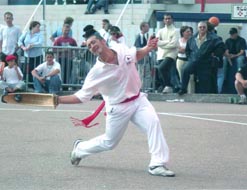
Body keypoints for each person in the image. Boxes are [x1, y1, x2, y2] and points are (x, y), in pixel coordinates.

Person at [57, 29, 175, 177]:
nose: (92, 46)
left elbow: (135, 56)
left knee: (154, 123)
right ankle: (80, 148)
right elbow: (82, 96)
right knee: (110, 142)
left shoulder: (120, 48)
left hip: (138, 100)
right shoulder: (96, 72)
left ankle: (157, 164)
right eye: (88, 46)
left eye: (93, 42)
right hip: (118, 108)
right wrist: (58, 99)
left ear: (103, 41)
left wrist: (147, 48)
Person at [178, 21, 225, 95]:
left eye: (204, 27)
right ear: (198, 28)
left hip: (206, 62)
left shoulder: (214, 38)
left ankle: (205, 101)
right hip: (194, 60)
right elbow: (187, 50)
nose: (202, 28)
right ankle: (183, 89)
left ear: (206, 28)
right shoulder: (192, 38)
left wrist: (215, 53)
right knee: (185, 69)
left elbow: (221, 47)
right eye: (200, 27)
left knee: (204, 84)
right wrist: (190, 58)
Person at [156, 14, 181, 93]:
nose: (167, 20)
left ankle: (168, 85)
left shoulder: (176, 31)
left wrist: (162, 44)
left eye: (169, 18)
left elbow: (174, 44)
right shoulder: (160, 31)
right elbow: (156, 42)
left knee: (161, 68)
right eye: (166, 19)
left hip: (171, 54)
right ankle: (172, 87)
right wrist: (168, 42)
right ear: (163, 20)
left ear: (172, 20)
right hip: (161, 54)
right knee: (166, 72)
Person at [18, 21, 44, 85]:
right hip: (28, 55)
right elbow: (19, 40)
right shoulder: (26, 33)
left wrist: (31, 45)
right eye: (37, 27)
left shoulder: (39, 34)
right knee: (28, 70)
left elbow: (40, 43)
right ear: (33, 27)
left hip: (37, 55)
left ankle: (36, 84)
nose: (39, 29)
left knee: (37, 70)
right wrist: (23, 47)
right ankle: (28, 84)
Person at [176, 26, 193, 93]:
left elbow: (191, 50)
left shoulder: (192, 40)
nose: (189, 33)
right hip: (180, 60)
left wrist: (184, 50)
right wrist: (185, 50)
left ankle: (191, 92)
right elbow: (177, 49)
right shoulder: (179, 40)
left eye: (190, 31)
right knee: (182, 77)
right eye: (187, 31)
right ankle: (183, 90)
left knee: (191, 78)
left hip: (189, 60)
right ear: (183, 33)